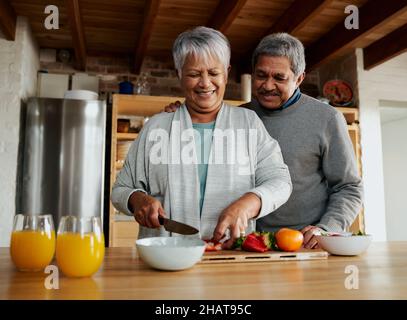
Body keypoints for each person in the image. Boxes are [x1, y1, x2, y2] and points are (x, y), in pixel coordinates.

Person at [165, 33, 364, 249]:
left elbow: (349, 187)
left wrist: (326, 228)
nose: (268, 86)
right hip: (245, 244)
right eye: (261, 75)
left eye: (279, 78)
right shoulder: (237, 117)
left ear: (299, 78)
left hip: (304, 244)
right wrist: (185, 118)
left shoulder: (327, 118)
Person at [111, 27, 292, 249]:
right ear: (179, 74)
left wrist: (248, 203)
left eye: (214, 73)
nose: (205, 83)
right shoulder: (157, 128)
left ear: (226, 72)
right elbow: (120, 189)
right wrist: (138, 199)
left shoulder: (248, 124)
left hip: (230, 256)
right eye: (194, 74)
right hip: (165, 257)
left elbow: (280, 182)